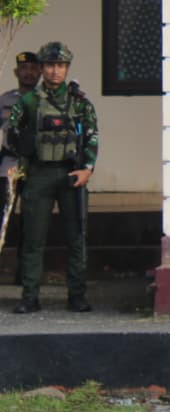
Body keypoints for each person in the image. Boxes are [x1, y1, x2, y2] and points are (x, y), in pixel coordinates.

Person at [3, 42, 99, 314]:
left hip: (71, 174)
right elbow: (12, 134)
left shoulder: (79, 102)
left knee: (76, 237)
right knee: (33, 238)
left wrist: (87, 168)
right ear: (42, 68)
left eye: (60, 66)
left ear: (67, 68)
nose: (55, 71)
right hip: (39, 174)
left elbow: (92, 135)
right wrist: (23, 160)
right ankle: (30, 296)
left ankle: (77, 296)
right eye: (49, 65)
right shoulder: (29, 101)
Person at [0, 52, 41, 272]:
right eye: (24, 68)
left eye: (34, 68)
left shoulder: (45, 100)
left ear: (40, 72)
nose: (29, 73)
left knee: (31, 223)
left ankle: (25, 274)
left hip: (35, 169)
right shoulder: (5, 101)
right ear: (17, 72)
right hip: (7, 168)